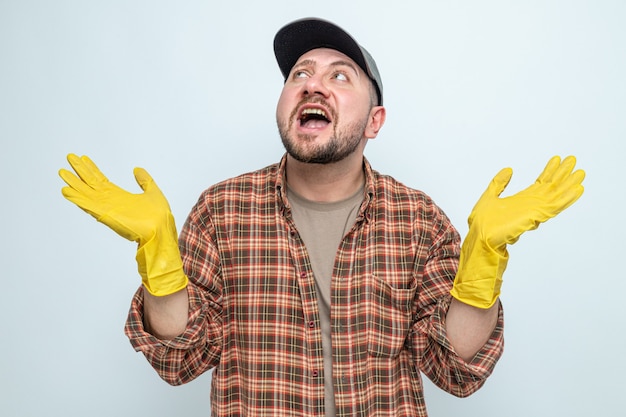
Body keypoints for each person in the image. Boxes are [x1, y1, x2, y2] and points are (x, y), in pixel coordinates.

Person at [59, 17, 585, 417]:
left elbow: (454, 370)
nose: (313, 84)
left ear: (374, 120)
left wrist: (483, 264)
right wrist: (159, 258)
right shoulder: (221, 210)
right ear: (284, 102)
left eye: (341, 76)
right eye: (299, 74)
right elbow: (182, 359)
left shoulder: (420, 219)